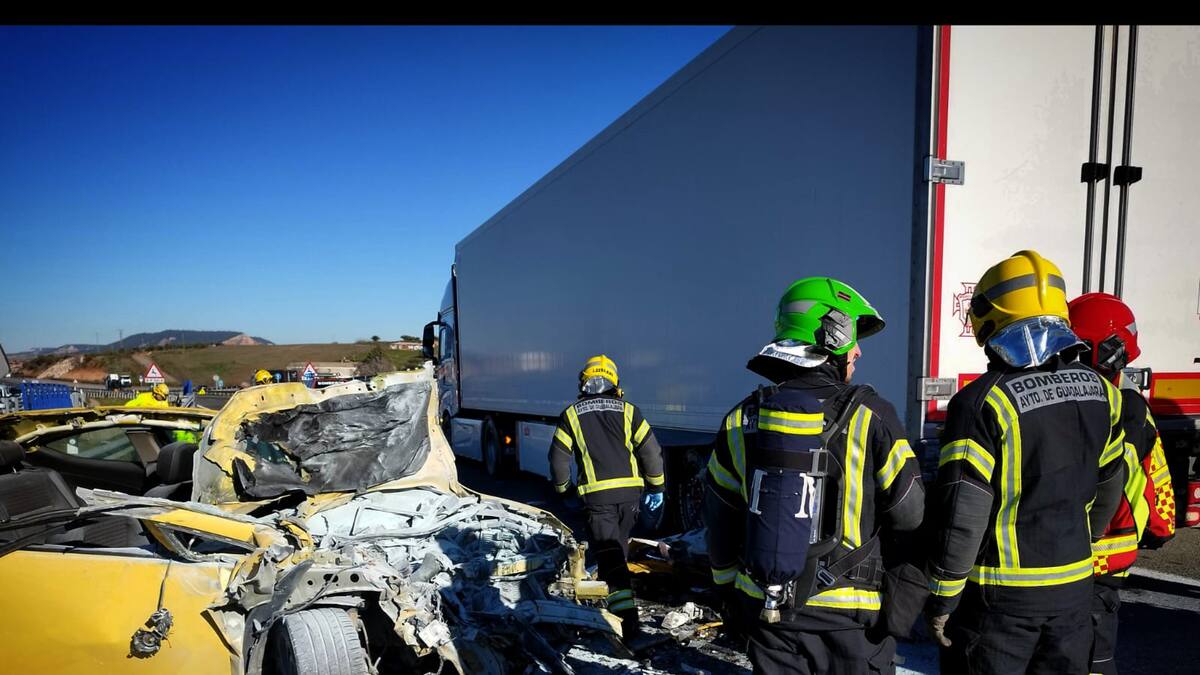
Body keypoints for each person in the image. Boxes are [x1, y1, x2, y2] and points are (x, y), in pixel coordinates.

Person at [705, 277, 924, 674]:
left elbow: (721, 520)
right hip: (850, 622)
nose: (857, 351)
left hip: (768, 611)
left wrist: (728, 592)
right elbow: (909, 514)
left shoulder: (741, 419)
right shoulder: (873, 415)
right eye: (853, 338)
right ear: (833, 335)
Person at [926, 250, 1127, 675]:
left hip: (1000, 604)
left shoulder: (982, 401)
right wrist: (1076, 539)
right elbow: (1112, 482)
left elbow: (963, 514)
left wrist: (944, 596)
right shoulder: (1103, 392)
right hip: (1074, 591)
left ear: (990, 316)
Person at [1069, 292, 1176, 674]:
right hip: (1104, 570)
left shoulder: (1051, 407)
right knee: (1096, 663)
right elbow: (1158, 486)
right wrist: (1159, 530)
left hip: (1048, 567)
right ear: (1116, 353)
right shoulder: (1131, 409)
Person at [548, 354, 665, 640]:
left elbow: (557, 460)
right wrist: (656, 488)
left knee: (612, 563)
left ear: (584, 381)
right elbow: (651, 453)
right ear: (614, 381)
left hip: (596, 501)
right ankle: (612, 608)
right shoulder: (630, 411)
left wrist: (565, 491)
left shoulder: (572, 415)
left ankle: (628, 629)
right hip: (630, 499)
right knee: (617, 556)